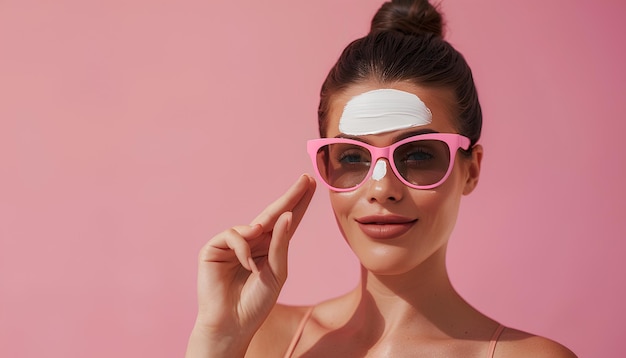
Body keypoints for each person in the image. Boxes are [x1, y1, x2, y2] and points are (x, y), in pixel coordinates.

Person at [185, 0, 577, 356]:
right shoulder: (260, 339)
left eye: (419, 154)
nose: (381, 189)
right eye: (353, 156)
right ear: (324, 167)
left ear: (470, 169)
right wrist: (217, 341)